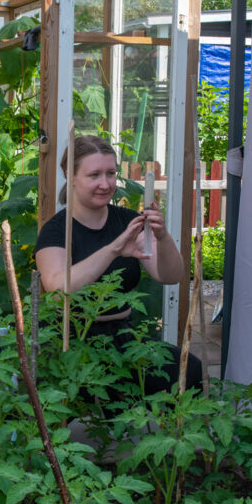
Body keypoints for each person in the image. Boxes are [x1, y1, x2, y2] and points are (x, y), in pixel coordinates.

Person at [34, 134, 199, 394]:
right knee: (103, 391)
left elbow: (170, 275)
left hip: (123, 336)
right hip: (70, 342)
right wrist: (113, 250)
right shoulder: (56, 230)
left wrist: (162, 236)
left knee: (189, 370)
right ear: (70, 175)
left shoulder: (128, 221)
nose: (105, 183)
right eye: (94, 175)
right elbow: (56, 291)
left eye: (110, 173)